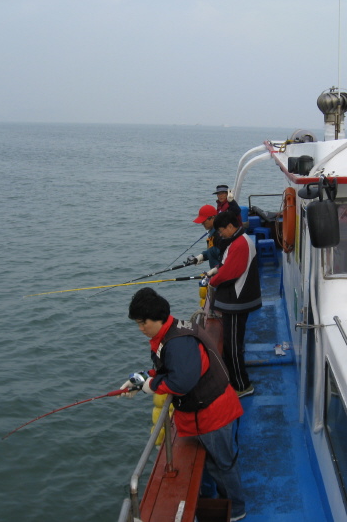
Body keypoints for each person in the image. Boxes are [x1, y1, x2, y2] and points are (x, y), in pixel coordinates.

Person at [120, 287, 246, 522]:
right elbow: (170, 369)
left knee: (223, 465)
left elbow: (181, 382)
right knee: (213, 464)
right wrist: (141, 379)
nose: (140, 329)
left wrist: (151, 386)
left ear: (157, 318)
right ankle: (214, 500)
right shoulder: (173, 331)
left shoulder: (178, 343)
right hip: (204, 413)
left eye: (142, 323)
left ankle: (237, 509)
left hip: (213, 414)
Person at [204, 211, 261, 397]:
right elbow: (226, 265)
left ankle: (242, 386)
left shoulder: (240, 244)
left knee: (233, 346)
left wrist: (212, 281)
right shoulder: (237, 240)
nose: (220, 234)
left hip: (237, 301)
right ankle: (236, 381)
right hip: (236, 300)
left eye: (221, 231)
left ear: (230, 226)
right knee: (231, 343)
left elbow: (230, 272)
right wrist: (216, 270)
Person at [188, 204, 222, 268]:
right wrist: (201, 256)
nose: (202, 223)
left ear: (213, 218)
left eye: (204, 221)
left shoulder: (219, 235)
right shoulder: (212, 233)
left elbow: (224, 258)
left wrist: (215, 270)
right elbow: (213, 252)